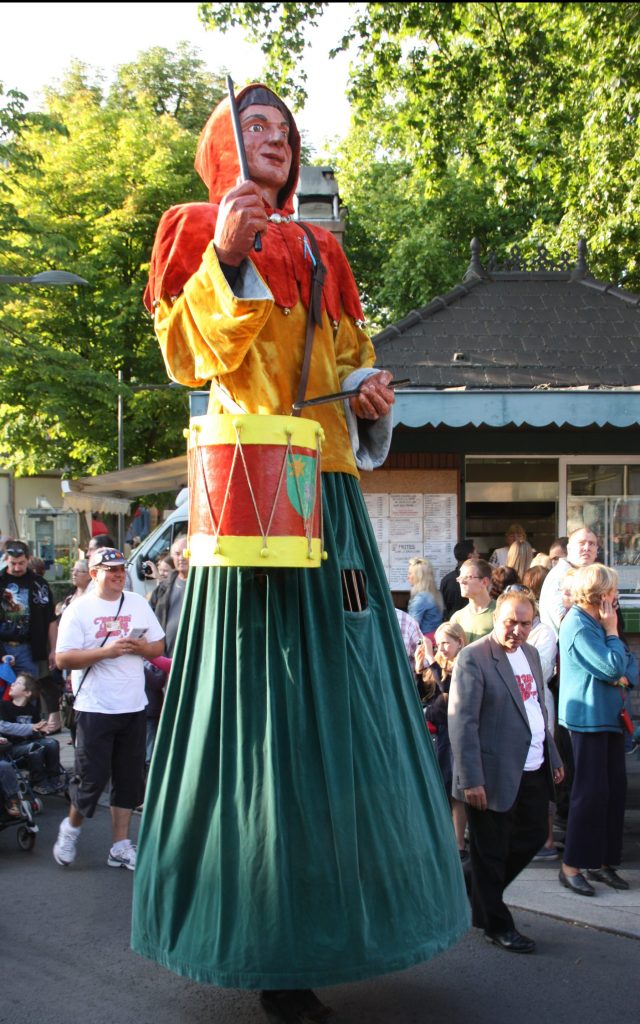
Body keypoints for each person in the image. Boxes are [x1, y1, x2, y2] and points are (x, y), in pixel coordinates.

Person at [132, 83, 468, 1020]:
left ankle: (358, 906)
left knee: (354, 695)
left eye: (284, 129)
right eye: (255, 128)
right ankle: (267, 934)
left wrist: (367, 394)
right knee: (264, 715)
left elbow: (345, 364)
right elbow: (189, 360)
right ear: (222, 148)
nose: (274, 139)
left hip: (331, 496)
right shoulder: (193, 227)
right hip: (252, 507)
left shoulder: (326, 249)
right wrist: (228, 257)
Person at [448, 590, 564, 954]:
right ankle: (496, 923)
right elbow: (462, 723)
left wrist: (554, 755)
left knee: (531, 837)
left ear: (533, 624)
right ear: (497, 618)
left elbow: (536, 712)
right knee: (491, 852)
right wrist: (471, 780)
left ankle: (470, 885)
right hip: (490, 773)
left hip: (533, 766)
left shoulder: (530, 653)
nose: (516, 630)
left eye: (524, 623)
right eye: (509, 622)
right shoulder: (473, 658)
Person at [53, 548, 164, 870]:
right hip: (95, 707)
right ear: (94, 573)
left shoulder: (138, 603)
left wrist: (142, 648)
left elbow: (158, 645)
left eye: (121, 569)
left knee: (129, 782)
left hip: (133, 705)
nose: (119, 574)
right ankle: (71, 829)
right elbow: (63, 659)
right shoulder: (79, 609)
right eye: (111, 569)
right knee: (91, 780)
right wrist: (107, 652)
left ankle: (120, 845)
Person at [557, 564, 638, 896]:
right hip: (587, 720)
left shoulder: (601, 623)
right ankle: (571, 866)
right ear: (600, 594)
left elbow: (628, 665)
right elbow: (612, 666)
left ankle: (603, 863)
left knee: (613, 793)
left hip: (610, 718)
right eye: (613, 590)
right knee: (589, 795)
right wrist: (613, 635)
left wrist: (615, 650)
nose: (616, 596)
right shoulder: (578, 623)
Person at [415, 622, 468, 860]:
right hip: (434, 733)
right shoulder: (435, 664)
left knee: (453, 788)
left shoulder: (463, 665)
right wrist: (419, 669)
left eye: (447, 642)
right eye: (439, 644)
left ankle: (458, 843)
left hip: (453, 733)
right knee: (437, 786)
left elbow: (448, 689)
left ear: (460, 642)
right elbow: (422, 694)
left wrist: (430, 659)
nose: (442, 648)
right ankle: (440, 839)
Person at [0, 540, 60, 732]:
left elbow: (51, 619)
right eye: (12, 564)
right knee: (4, 693)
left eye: (21, 563)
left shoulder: (38, 583)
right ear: (6, 560)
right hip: (3, 644)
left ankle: (31, 731)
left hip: (28, 647)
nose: (17, 568)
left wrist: (54, 649)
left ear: (28, 560)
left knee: (28, 693)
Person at [0, 673, 64, 794]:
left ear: (27, 693)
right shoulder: (4, 706)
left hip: (29, 743)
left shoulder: (32, 709)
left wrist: (42, 730)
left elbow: (35, 732)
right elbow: (3, 727)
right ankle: (38, 782)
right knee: (35, 747)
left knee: (52, 743)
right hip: (12, 747)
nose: (12, 684)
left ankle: (54, 778)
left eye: (18, 683)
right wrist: (32, 727)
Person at [539, 527, 598, 635]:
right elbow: (564, 622)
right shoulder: (560, 576)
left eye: (592, 544)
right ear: (569, 548)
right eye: (582, 543)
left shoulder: (584, 575)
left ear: (596, 550)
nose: (587, 548)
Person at [450, 559, 495, 644]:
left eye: (467, 577)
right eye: (460, 578)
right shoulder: (457, 618)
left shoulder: (501, 612)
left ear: (484, 582)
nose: (462, 582)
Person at [406, 556, 444, 637]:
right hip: (435, 639)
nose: (407, 577)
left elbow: (411, 627)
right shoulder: (435, 594)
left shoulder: (421, 599)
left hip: (424, 642)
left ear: (418, 576)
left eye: (410, 573)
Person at [439, 540, 476, 619]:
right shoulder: (477, 579)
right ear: (470, 556)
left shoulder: (446, 580)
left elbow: (442, 608)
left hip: (451, 624)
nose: (479, 555)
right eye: (476, 552)